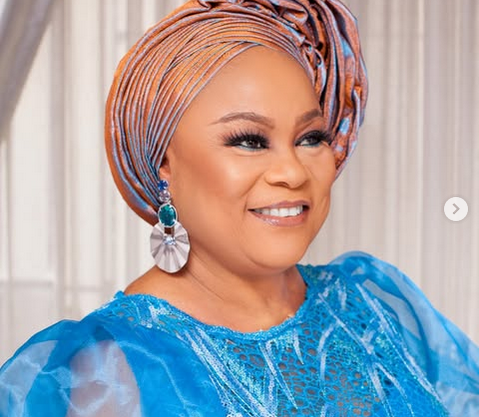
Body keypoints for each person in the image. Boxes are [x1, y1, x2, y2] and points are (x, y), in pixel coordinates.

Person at [1, 0, 478, 415]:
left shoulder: (370, 305)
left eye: (311, 137)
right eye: (249, 140)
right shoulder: (112, 370)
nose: (292, 171)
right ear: (163, 163)